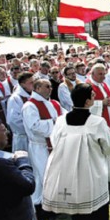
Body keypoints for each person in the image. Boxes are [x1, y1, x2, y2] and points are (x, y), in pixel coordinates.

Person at [42, 83, 110, 220]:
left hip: (68, 169)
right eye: (92, 96)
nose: (94, 98)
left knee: (77, 206)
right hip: (91, 169)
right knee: (97, 208)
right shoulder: (97, 122)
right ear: (87, 101)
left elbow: (55, 141)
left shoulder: (62, 120)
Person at [22, 78, 64, 212]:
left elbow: (65, 116)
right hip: (40, 146)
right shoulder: (30, 106)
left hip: (55, 143)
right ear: (37, 88)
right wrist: (55, 122)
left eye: (51, 87)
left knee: (56, 172)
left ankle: (57, 201)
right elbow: (34, 126)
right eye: (47, 87)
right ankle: (42, 205)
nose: (50, 89)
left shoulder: (54, 103)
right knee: (43, 174)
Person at [6, 72, 34, 152]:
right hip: (23, 138)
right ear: (22, 84)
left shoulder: (34, 95)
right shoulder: (15, 98)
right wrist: (32, 129)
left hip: (34, 138)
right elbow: (13, 120)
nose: (34, 84)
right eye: (31, 82)